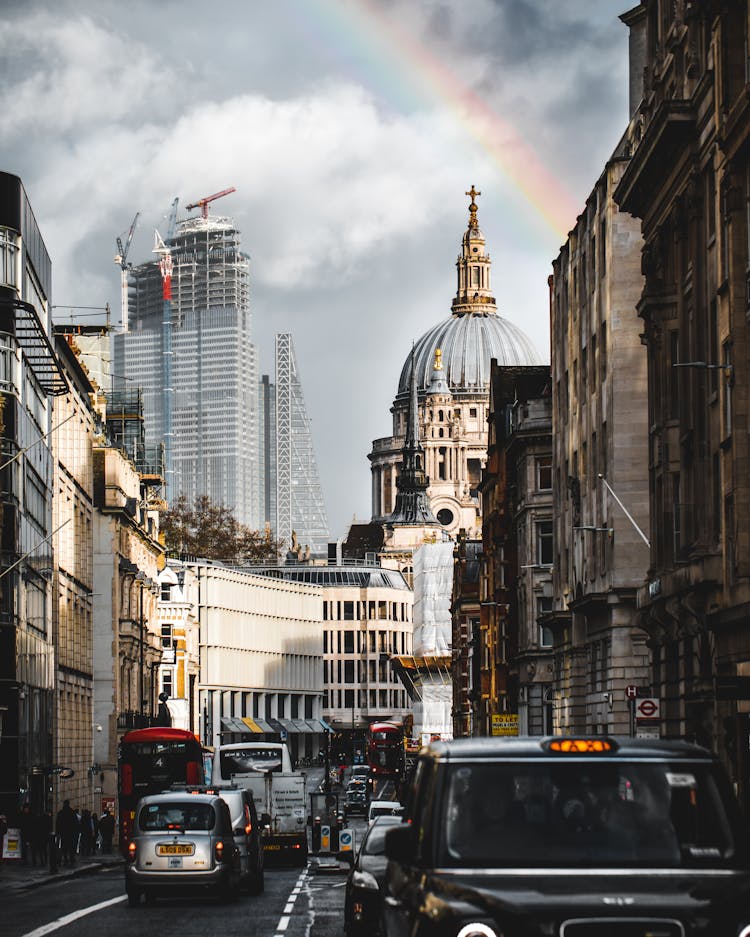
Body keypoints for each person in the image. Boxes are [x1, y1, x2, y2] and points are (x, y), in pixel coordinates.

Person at [56, 799, 78, 866]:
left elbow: (58, 824)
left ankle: (65, 859)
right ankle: (71, 859)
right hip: (71, 833)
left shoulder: (60, 813)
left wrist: (58, 833)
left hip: (63, 833)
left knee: (64, 847)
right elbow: (75, 823)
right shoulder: (72, 813)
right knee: (71, 847)